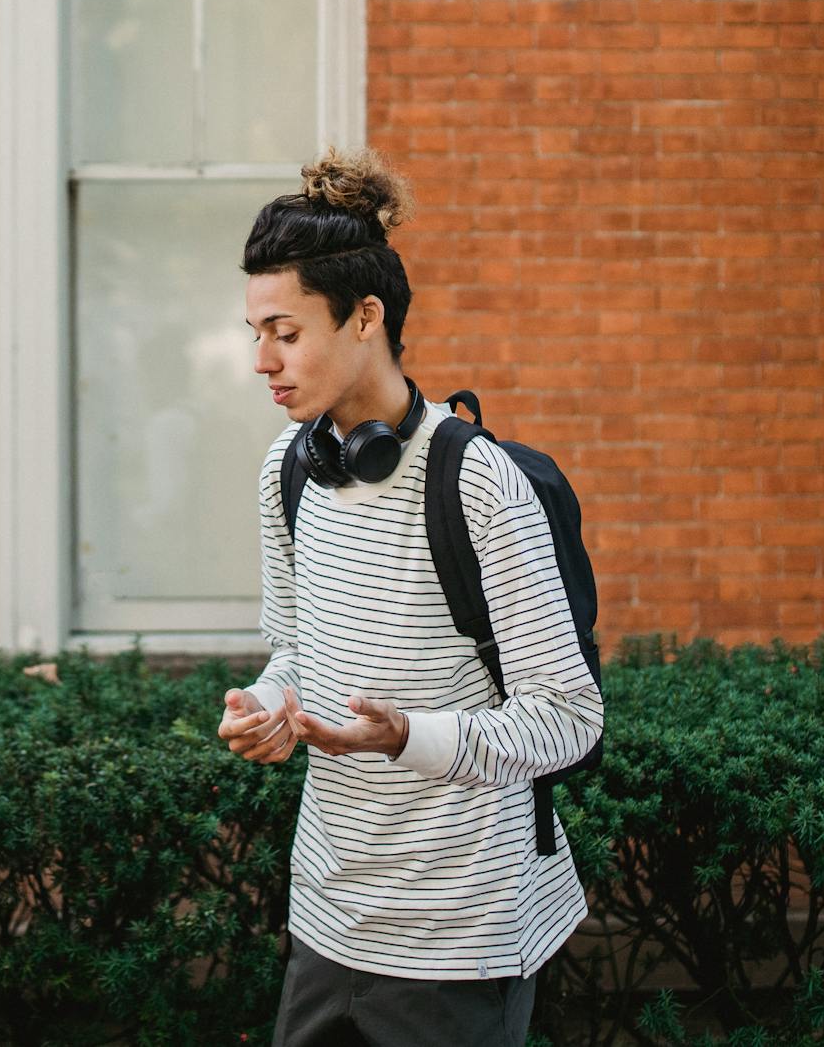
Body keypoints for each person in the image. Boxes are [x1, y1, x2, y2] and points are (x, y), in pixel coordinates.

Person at [220, 150, 603, 1046]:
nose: (261, 360)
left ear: (365, 317)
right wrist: (271, 704)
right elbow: (298, 649)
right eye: (254, 332)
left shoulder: (478, 483)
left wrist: (408, 736)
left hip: (460, 942)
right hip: (325, 918)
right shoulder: (288, 469)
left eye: (284, 330)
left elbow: (569, 717)